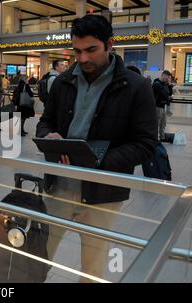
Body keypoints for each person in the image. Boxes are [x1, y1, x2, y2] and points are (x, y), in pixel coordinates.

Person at [36, 14, 157, 282]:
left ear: (109, 44)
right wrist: (48, 137)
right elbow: (45, 122)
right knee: (39, 255)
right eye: (77, 51)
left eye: (91, 50)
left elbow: (146, 144)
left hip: (104, 193)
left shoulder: (136, 87)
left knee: (92, 267)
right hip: (60, 184)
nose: (83, 58)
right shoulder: (64, 82)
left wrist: (98, 160)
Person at [152, 70, 172, 141]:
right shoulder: (157, 83)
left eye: (169, 78)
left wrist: (169, 85)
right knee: (157, 123)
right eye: (167, 77)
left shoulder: (164, 84)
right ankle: (154, 138)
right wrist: (168, 96)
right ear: (163, 75)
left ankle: (162, 137)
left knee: (163, 123)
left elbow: (169, 94)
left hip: (162, 106)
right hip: (157, 106)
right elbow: (164, 94)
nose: (168, 79)